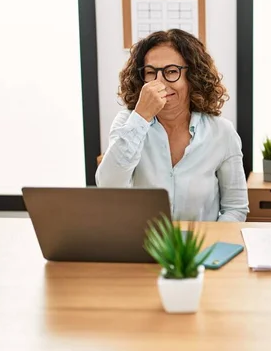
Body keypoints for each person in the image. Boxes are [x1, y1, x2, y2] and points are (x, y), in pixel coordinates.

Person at [96, 29, 249, 222]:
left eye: (171, 72)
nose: (159, 83)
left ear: (193, 77)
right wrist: (141, 117)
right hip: (144, 247)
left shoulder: (222, 132)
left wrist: (212, 244)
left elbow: (235, 208)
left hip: (200, 249)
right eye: (151, 73)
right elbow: (109, 186)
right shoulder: (127, 122)